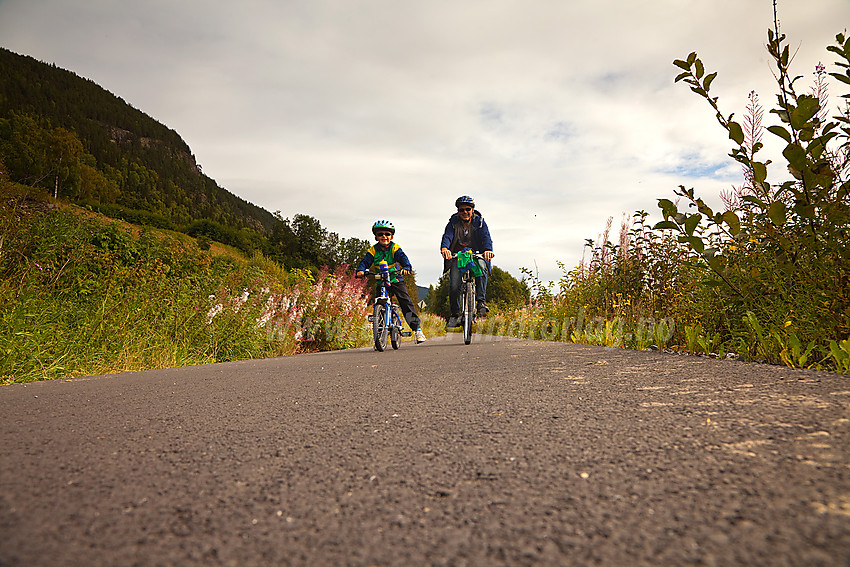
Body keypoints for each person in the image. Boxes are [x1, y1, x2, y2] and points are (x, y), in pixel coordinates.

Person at [356, 220, 427, 343]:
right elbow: (365, 262)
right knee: (378, 303)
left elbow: (403, 258)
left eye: (387, 234)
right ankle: (379, 333)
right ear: (376, 237)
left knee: (405, 302)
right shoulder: (373, 250)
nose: (384, 236)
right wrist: (361, 270)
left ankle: (417, 330)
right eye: (380, 234)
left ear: (391, 236)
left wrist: (406, 267)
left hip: (395, 278)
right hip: (381, 280)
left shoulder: (395, 247)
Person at [440, 196, 494, 328]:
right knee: (454, 285)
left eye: (468, 209)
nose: (465, 212)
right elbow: (447, 236)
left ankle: (480, 302)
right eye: (462, 210)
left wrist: (487, 250)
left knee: (481, 269)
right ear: (458, 211)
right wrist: (445, 248)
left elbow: (486, 237)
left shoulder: (480, 222)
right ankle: (454, 315)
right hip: (458, 256)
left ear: (473, 210)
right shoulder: (452, 223)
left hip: (476, 254)